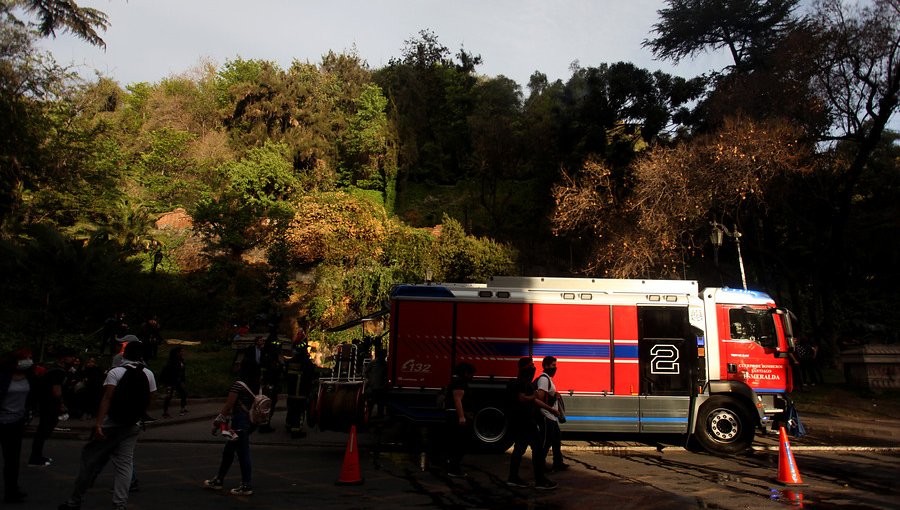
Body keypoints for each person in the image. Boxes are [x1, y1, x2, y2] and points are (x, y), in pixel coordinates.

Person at [58, 341, 157, 510]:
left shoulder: (116, 372)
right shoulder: (148, 373)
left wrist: (98, 424)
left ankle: (75, 500)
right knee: (125, 464)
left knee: (89, 460)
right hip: (132, 424)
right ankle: (120, 504)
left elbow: (107, 398)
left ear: (124, 355)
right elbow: (152, 399)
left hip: (111, 424)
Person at [203, 361, 260, 496]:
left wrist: (217, 422)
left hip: (238, 424)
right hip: (248, 423)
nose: (236, 366)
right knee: (228, 451)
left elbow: (228, 406)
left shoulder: (238, 385)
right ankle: (219, 480)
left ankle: (246, 485)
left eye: (239, 364)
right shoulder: (256, 385)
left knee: (243, 453)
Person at [507, 357, 558, 490]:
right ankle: (540, 480)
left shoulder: (519, 382)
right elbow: (523, 398)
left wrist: (549, 408)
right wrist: (534, 396)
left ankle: (513, 477)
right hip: (526, 421)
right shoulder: (523, 383)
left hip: (520, 420)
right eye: (532, 366)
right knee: (537, 449)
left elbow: (533, 400)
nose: (534, 368)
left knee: (520, 448)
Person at [29, 347, 76, 467]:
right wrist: (62, 405)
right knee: (43, 431)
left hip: (46, 403)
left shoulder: (54, 369)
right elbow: (57, 391)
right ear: (63, 358)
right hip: (49, 404)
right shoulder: (58, 371)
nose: (73, 359)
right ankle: (35, 458)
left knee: (43, 431)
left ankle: (37, 455)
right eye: (70, 356)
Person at [0, 348, 35, 504]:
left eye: (30, 357)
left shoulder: (30, 377)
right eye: (26, 357)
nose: (29, 360)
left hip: (16, 423)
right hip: (1, 421)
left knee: (12, 461)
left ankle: (11, 491)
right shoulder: (3, 377)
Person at [535, 355, 568, 473]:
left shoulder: (548, 378)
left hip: (552, 416)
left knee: (556, 440)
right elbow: (540, 398)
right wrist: (552, 409)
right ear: (546, 366)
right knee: (546, 441)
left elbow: (548, 395)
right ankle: (539, 465)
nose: (555, 367)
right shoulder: (544, 379)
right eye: (553, 365)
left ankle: (558, 463)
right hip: (547, 415)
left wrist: (555, 395)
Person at [445, 362, 476, 478]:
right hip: (455, 416)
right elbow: (457, 400)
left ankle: (453, 465)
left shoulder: (459, 382)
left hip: (455, 415)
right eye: (471, 374)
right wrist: (462, 417)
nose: (472, 376)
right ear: (466, 373)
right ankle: (454, 468)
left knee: (458, 442)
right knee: (460, 443)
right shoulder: (460, 384)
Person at [160, 347, 188, 418]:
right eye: (181, 351)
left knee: (183, 393)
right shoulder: (171, 362)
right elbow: (165, 373)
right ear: (177, 353)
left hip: (178, 381)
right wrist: (165, 383)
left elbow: (182, 372)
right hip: (170, 381)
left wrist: (182, 381)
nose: (183, 353)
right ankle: (165, 412)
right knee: (169, 396)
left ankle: (183, 408)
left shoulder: (181, 360)